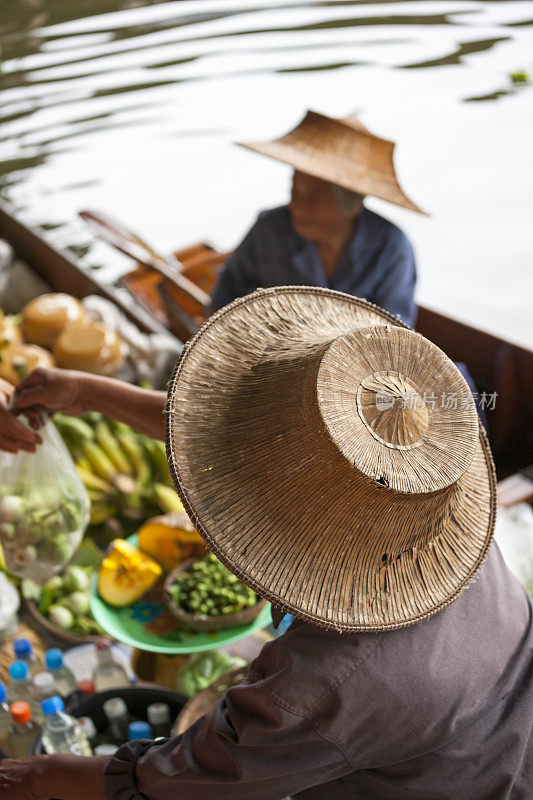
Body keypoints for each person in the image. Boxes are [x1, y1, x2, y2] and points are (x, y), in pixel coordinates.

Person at [0, 287, 531, 800]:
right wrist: (83, 392)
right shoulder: (423, 498)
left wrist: (36, 777)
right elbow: (220, 432)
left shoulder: (321, 683)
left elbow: (180, 782)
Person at [211, 110, 428, 326]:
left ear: (350, 206)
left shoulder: (392, 247)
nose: (297, 205)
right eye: (294, 188)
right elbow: (224, 296)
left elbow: (396, 331)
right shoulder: (269, 228)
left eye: (314, 197)